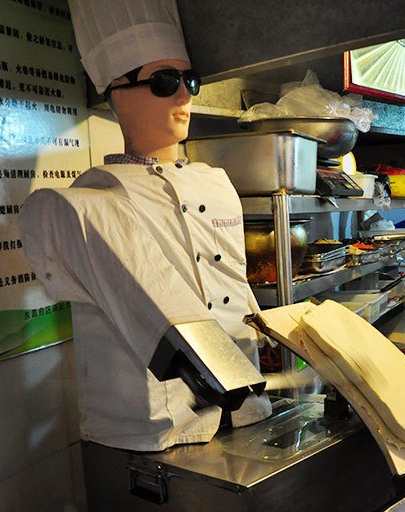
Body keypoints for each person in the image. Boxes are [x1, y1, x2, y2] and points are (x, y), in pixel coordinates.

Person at [18, 0, 271, 452]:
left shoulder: (216, 185)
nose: (184, 96)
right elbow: (159, 312)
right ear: (117, 92)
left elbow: (233, 285)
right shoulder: (82, 205)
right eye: (164, 81)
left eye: (188, 80)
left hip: (247, 415)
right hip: (152, 429)